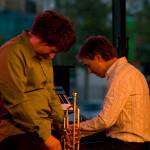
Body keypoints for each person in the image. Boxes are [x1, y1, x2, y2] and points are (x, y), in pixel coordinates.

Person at [0, 10, 76, 150]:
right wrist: (46, 136)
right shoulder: (11, 53)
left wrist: (62, 127)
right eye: (52, 50)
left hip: (44, 128)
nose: (52, 57)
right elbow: (17, 103)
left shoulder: (44, 55)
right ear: (41, 38)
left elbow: (51, 93)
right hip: (18, 132)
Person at [76, 35, 150, 150]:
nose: (89, 71)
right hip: (133, 143)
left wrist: (73, 129)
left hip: (125, 145)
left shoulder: (121, 76)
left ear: (98, 58)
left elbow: (105, 121)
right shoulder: (128, 71)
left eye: (88, 65)